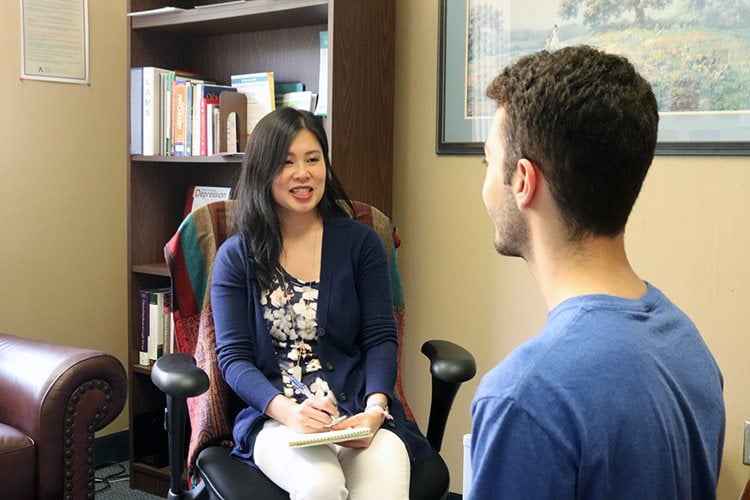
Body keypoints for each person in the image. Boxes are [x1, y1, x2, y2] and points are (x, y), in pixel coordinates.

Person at [470, 46, 725, 499]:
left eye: (488, 161)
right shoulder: (687, 345)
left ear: (524, 182)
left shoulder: (525, 397)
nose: (486, 180)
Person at [210, 107, 432, 500]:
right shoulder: (236, 257)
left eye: (313, 159)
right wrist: (287, 412)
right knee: (321, 485)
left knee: (383, 489)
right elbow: (234, 359)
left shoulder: (360, 244)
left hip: (358, 414)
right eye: (287, 162)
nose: (303, 173)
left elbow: (381, 337)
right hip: (278, 419)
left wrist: (376, 408)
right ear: (263, 171)